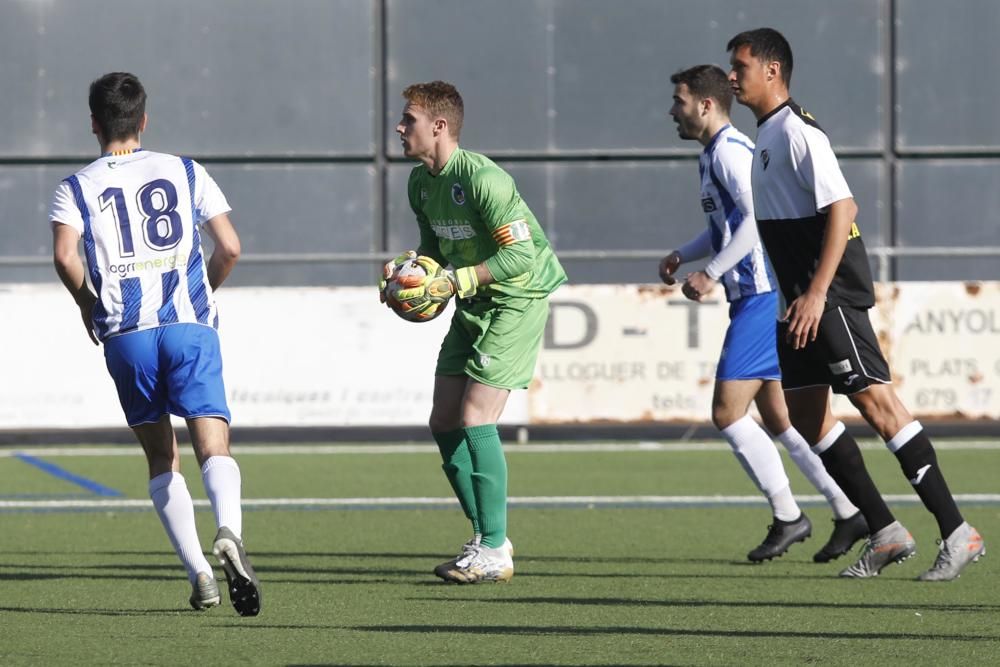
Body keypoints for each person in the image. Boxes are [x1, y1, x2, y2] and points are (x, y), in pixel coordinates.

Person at [726, 28, 984, 579]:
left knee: (878, 406)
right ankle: (886, 530)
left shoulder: (798, 132)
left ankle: (959, 531)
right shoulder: (767, 136)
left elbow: (843, 207)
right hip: (795, 303)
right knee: (805, 416)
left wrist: (817, 294)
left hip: (831, 295)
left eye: (741, 66)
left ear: (772, 70)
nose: (732, 76)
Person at [50, 72, 261, 613]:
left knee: (162, 459)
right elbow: (231, 247)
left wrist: (87, 306)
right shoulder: (185, 170)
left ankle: (198, 574)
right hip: (190, 327)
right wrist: (200, 295)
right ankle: (230, 533)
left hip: (128, 335)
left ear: (94, 124)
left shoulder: (75, 187)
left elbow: (65, 257)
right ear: (144, 120)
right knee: (213, 444)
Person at [661, 64, 868, 564]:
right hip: (754, 293)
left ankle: (789, 516)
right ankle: (849, 510)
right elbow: (726, 226)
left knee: (727, 413)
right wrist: (684, 254)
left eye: (680, 101)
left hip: (759, 293)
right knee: (780, 416)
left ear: (706, 105)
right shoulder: (714, 155)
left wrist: (710, 273)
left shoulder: (732, 153)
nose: (673, 111)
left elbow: (756, 221)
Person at [384, 81, 567, 583]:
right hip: (471, 299)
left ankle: (492, 549)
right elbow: (433, 248)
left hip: (516, 299)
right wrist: (408, 275)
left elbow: (519, 257)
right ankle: (489, 539)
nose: (399, 128)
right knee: (443, 420)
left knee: (474, 415)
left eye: (409, 120)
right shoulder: (420, 183)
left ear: (439, 127)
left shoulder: (484, 179)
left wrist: (451, 281)